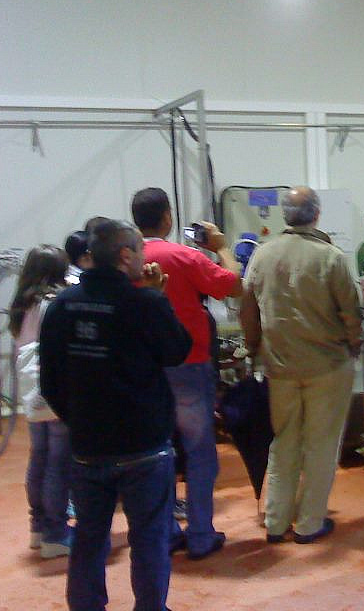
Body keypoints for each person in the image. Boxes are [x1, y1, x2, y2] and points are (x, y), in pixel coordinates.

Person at [39, 220, 191, 611]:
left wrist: (78, 421)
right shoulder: (146, 303)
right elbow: (177, 351)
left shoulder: (62, 306)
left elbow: (50, 382)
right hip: (144, 446)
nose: (144, 258)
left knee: (89, 538)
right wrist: (159, 298)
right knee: (149, 538)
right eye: (140, 251)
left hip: (88, 446)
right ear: (125, 255)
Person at [240, 187, 362, 545]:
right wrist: (355, 344)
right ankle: (309, 523)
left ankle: (276, 521)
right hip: (327, 366)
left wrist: (253, 348)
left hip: (279, 367)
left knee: (284, 442)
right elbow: (351, 312)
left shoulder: (263, 255)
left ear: (284, 215)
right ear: (317, 214)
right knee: (321, 445)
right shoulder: (331, 258)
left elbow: (247, 308)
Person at [131, 188, 241, 560]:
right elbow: (231, 285)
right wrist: (222, 248)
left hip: (145, 369)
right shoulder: (183, 256)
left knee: (156, 452)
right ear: (167, 217)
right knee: (199, 450)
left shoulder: (126, 262)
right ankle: (200, 534)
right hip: (189, 363)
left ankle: (163, 533)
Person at [10, 244, 72, 558]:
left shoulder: (20, 305)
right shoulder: (54, 303)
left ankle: (38, 526)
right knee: (59, 462)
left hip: (32, 392)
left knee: (39, 457)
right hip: (55, 387)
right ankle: (55, 533)